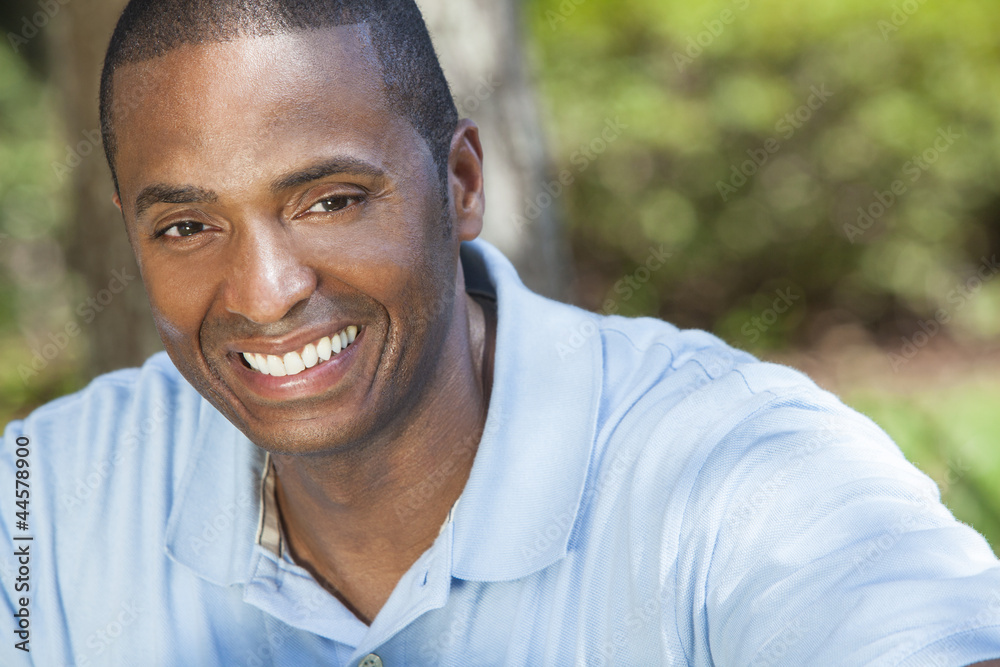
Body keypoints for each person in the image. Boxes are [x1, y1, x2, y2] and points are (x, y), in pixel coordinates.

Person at [3, 0, 1000, 665]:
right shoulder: (48, 493)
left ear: (461, 184)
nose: (263, 293)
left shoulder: (732, 466)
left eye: (331, 200)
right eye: (186, 227)